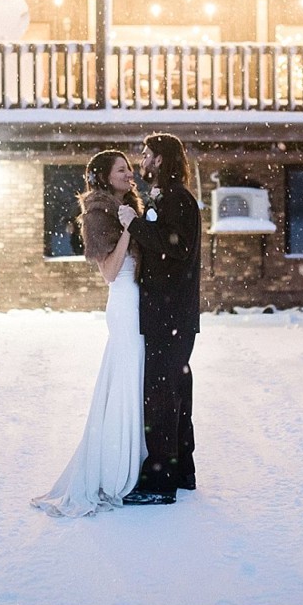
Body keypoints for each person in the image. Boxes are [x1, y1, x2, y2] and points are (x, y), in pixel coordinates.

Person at [31, 150, 147, 517]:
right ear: (103, 176)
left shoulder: (131, 205)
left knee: (137, 380)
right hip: (126, 302)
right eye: (121, 169)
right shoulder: (98, 216)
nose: (129, 173)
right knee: (126, 381)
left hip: (142, 302)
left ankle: (138, 459)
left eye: (129, 167)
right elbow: (110, 272)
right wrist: (130, 229)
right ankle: (116, 468)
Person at [117, 133, 202, 505]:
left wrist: (135, 224)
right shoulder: (166, 198)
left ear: (162, 161)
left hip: (170, 315)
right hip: (171, 316)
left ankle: (159, 482)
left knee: (161, 398)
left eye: (148, 155)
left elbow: (176, 248)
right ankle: (183, 471)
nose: (142, 159)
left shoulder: (177, 199)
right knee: (176, 392)